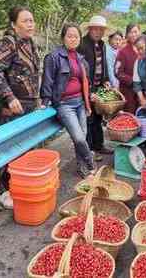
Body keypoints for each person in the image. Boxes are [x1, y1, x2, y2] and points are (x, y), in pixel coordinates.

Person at [0, 6, 40, 209]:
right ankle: (4, 190)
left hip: (29, 104)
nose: (31, 24)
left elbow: (33, 74)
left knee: (26, 147)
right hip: (11, 107)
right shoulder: (8, 43)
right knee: (9, 147)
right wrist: (9, 97)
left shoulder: (30, 43)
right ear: (13, 24)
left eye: (32, 20)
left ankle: (22, 185)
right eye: (26, 21)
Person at [40, 23, 94, 178]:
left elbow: (85, 83)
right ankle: (91, 165)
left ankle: (82, 167)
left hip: (80, 103)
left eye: (76, 36)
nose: (73, 39)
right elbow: (48, 80)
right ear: (63, 38)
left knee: (82, 137)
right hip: (64, 104)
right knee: (78, 137)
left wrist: (87, 103)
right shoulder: (54, 57)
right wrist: (45, 101)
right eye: (69, 36)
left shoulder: (81, 59)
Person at [78, 15, 113, 156]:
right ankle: (89, 150)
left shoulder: (102, 45)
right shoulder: (82, 45)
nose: (98, 32)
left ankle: (99, 146)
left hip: (99, 87)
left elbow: (102, 64)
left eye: (101, 30)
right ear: (90, 29)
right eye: (95, 29)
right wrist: (89, 91)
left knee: (98, 118)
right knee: (88, 119)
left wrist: (106, 79)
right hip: (87, 88)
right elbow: (80, 71)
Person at [115, 24, 141, 113]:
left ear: (139, 33)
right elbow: (118, 72)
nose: (133, 35)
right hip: (128, 92)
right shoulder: (123, 52)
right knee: (130, 117)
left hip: (143, 91)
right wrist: (133, 81)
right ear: (127, 35)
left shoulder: (145, 49)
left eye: (135, 32)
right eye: (130, 32)